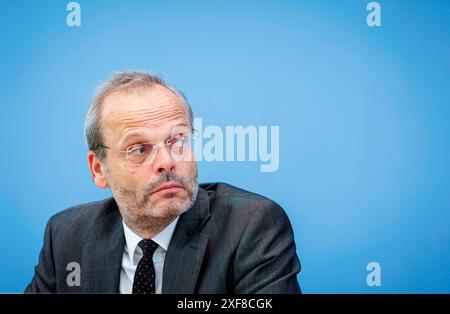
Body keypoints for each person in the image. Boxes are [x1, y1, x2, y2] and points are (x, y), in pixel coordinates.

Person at [25, 71, 301, 293]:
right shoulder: (66, 235)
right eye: (139, 149)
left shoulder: (251, 226)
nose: (167, 161)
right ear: (99, 169)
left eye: (178, 140)